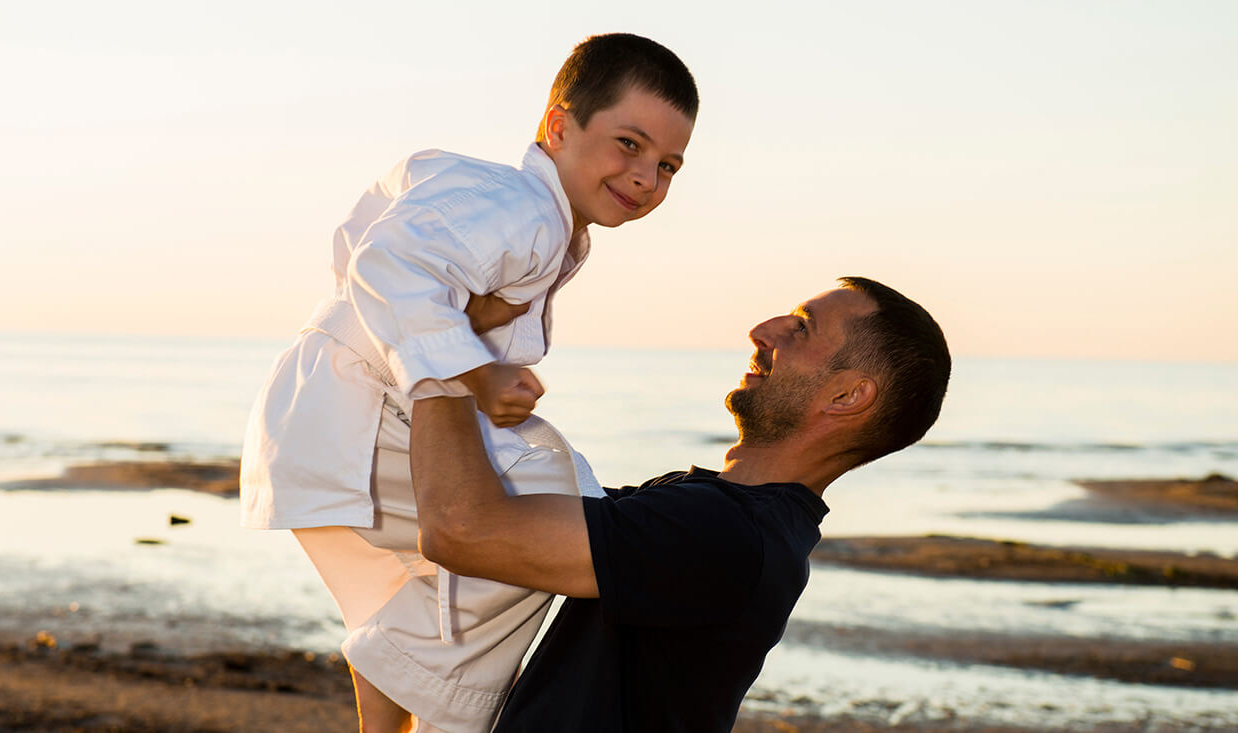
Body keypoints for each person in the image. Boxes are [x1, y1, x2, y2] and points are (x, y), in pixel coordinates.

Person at [238, 33, 699, 732]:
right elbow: (387, 258)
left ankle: (393, 720)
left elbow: (384, 222)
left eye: (668, 164)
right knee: (558, 512)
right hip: (354, 407)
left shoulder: (527, 212)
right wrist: (473, 368)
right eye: (628, 144)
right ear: (557, 127)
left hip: (330, 405)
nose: (646, 176)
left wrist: (459, 335)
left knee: (445, 581)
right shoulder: (521, 205)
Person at [409, 276, 952, 732]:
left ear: (847, 396)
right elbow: (490, 507)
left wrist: (444, 357)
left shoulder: (725, 532)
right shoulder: (726, 517)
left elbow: (461, 529)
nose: (763, 330)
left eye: (802, 327)